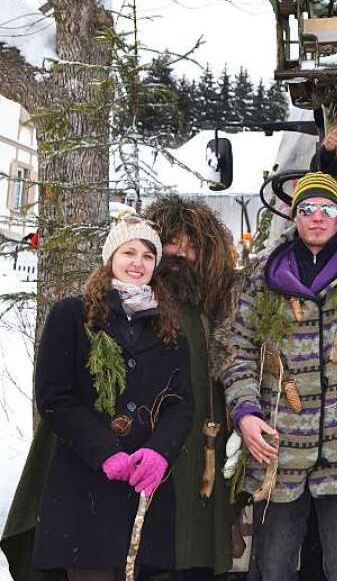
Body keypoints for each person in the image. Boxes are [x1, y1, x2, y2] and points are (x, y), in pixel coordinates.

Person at [221, 171, 337, 581]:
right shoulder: (261, 279)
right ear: (295, 216)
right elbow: (238, 352)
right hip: (278, 446)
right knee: (272, 564)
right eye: (308, 209)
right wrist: (246, 413)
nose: (318, 217)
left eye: (327, 209)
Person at [7, 216, 193, 581]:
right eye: (129, 252)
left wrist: (159, 452)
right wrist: (105, 452)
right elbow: (53, 396)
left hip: (143, 494)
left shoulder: (169, 329)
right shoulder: (72, 315)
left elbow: (180, 403)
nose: (138, 263)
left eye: (148, 255)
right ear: (111, 257)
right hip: (84, 489)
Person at [144, 196, 238, 581]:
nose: (180, 253)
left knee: (200, 550)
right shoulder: (135, 305)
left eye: (191, 244)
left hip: (207, 448)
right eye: (171, 242)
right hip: (150, 450)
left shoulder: (216, 308)